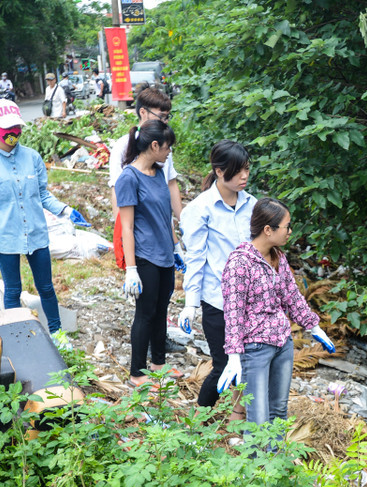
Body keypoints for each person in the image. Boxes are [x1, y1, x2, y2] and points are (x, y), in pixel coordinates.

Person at [0, 100, 90, 340]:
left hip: (37, 233)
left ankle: (57, 335)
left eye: (17, 127)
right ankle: (17, 338)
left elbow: (42, 194)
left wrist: (67, 211)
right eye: (7, 128)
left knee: (46, 288)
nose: (13, 133)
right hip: (6, 237)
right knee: (13, 290)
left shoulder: (32, 157)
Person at [218, 198, 335, 431]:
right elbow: (233, 312)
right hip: (256, 349)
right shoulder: (240, 263)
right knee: (258, 417)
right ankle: (258, 466)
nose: (290, 232)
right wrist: (233, 355)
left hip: (283, 342)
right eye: (286, 226)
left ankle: (276, 463)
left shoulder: (278, 258)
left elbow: (292, 295)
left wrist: (313, 326)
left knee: (279, 410)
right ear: (268, 230)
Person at [178, 141, 257, 417]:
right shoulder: (200, 209)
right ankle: (197, 423)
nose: (245, 176)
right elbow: (196, 258)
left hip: (249, 300)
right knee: (223, 363)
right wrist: (191, 303)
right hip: (218, 300)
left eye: (247, 169)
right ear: (219, 171)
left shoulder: (252, 205)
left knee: (246, 363)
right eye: (238, 171)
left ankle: (237, 418)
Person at [115, 119, 185, 387]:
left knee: (161, 310)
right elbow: (127, 227)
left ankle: (158, 364)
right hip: (145, 257)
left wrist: (175, 245)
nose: (170, 152)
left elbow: (165, 214)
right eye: (167, 147)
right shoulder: (129, 178)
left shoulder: (159, 172)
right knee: (145, 313)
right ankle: (137, 373)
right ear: (154, 145)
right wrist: (131, 269)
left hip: (165, 253)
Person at [108, 87, 182, 230]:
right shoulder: (122, 147)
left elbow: (171, 184)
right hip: (139, 230)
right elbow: (117, 192)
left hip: (163, 227)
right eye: (161, 116)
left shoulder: (165, 146)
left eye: (167, 117)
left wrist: (183, 223)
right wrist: (122, 235)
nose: (165, 121)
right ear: (143, 112)